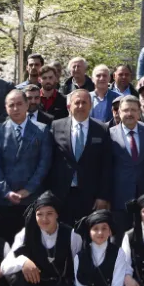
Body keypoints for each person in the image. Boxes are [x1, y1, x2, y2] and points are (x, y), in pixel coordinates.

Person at [0, 89, 52, 242]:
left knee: (31, 243)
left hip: (32, 199)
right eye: (11, 105)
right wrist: (6, 192)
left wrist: (28, 190)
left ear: (27, 105)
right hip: (5, 200)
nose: (16, 108)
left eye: (19, 104)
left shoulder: (42, 130)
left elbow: (44, 164)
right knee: (6, 243)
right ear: (6, 107)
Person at [49, 89, 113, 225]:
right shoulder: (56, 126)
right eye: (77, 102)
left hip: (90, 195)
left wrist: (103, 196)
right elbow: (51, 161)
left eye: (84, 102)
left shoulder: (102, 129)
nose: (80, 106)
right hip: (62, 194)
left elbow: (107, 165)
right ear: (69, 106)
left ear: (90, 105)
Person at [109, 96, 144, 236]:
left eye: (133, 110)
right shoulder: (110, 134)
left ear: (139, 112)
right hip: (119, 199)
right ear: (118, 112)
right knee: (120, 239)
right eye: (125, 110)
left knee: (143, 239)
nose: (129, 114)